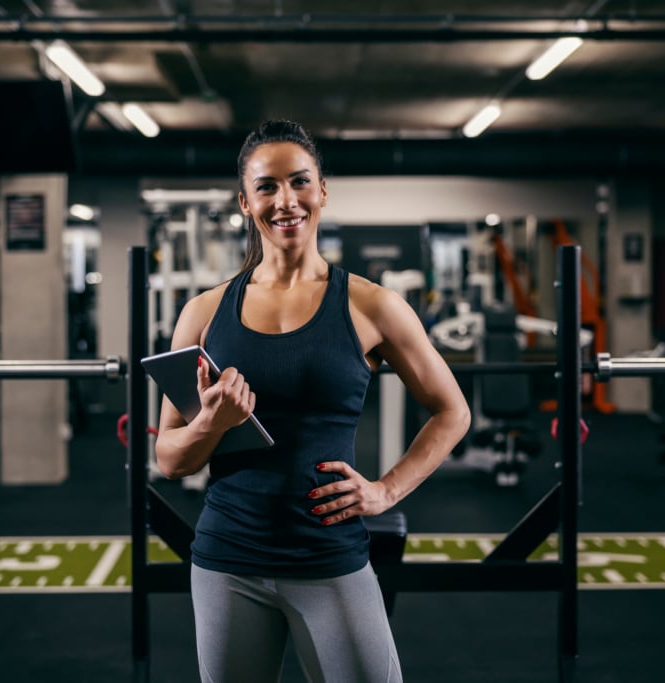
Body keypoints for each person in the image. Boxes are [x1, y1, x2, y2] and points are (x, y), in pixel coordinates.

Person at [154, 119, 471, 683]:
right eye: (267, 187)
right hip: (227, 558)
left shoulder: (373, 307)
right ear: (246, 203)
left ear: (322, 190)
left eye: (300, 182)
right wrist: (212, 423)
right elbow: (171, 459)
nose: (286, 201)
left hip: (329, 556)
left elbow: (452, 411)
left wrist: (385, 490)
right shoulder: (202, 315)